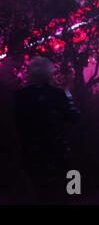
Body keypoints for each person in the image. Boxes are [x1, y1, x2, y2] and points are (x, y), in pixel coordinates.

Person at [14, 56, 79, 204]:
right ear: (49, 72)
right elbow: (74, 118)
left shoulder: (20, 96)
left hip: (32, 151)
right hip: (57, 148)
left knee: (39, 190)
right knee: (68, 184)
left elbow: (18, 124)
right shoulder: (59, 94)